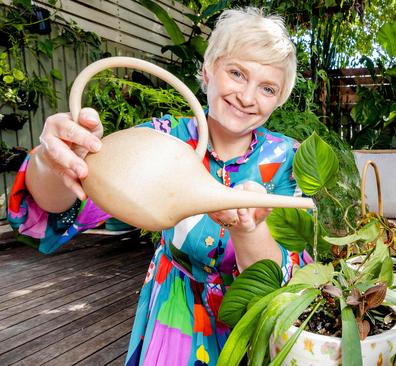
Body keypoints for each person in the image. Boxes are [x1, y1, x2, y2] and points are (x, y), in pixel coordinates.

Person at [7, 7, 311, 365]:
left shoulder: (288, 157)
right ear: (207, 70)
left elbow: (283, 283)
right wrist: (54, 160)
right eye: (236, 73)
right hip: (176, 315)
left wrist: (249, 228)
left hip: (250, 324)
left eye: (267, 87)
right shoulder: (163, 139)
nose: (247, 96)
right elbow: (61, 206)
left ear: (280, 98)